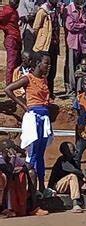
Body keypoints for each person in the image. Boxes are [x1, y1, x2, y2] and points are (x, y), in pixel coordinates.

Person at [5, 51, 53, 195]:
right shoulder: (28, 78)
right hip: (33, 118)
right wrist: (24, 105)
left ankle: (42, 187)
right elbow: (8, 89)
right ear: (38, 63)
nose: (48, 66)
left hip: (44, 118)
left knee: (41, 154)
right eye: (46, 63)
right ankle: (30, 189)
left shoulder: (44, 80)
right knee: (32, 154)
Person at [49, 141, 86, 212]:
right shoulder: (62, 160)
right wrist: (83, 174)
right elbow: (74, 171)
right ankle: (75, 203)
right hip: (57, 187)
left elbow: (80, 173)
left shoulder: (72, 160)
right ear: (67, 152)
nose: (76, 151)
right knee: (72, 176)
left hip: (68, 186)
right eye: (73, 149)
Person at [32, 0, 60, 96]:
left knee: (52, 70)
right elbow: (35, 28)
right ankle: (40, 92)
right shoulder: (42, 11)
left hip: (54, 45)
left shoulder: (56, 10)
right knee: (43, 70)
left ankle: (50, 92)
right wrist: (41, 39)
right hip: (44, 46)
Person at [65, 0, 86, 97]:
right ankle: (71, 90)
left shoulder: (83, 10)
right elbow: (70, 26)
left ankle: (82, 88)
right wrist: (82, 25)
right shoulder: (68, 9)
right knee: (72, 68)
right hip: (73, 42)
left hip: (83, 42)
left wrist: (83, 22)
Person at [0, 0, 21, 86]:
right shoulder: (7, 11)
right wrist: (5, 29)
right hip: (11, 39)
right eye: (14, 1)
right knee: (11, 64)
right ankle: (9, 86)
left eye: (18, 2)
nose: (16, 4)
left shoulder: (14, 10)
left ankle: (15, 84)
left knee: (17, 63)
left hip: (16, 39)